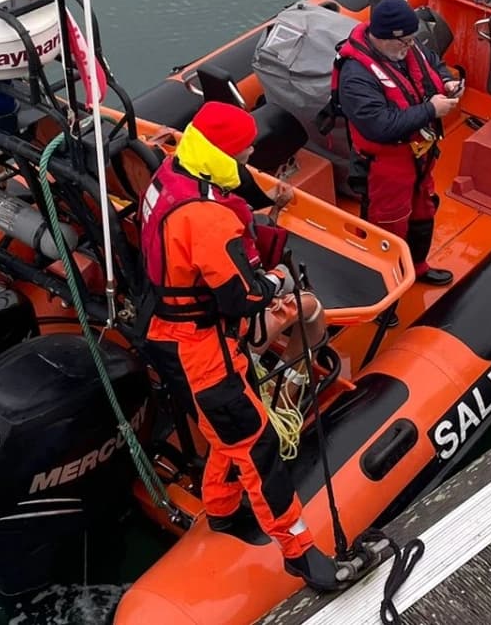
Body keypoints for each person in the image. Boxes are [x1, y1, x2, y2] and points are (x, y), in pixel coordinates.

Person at [138, 101, 345, 591]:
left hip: (172, 332)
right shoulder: (208, 219)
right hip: (198, 349)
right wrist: (276, 279)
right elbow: (243, 296)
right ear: (223, 154)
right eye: (245, 150)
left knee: (223, 433)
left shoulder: (170, 173)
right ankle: (299, 551)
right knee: (258, 445)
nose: (251, 154)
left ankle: (223, 509)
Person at [333, 0, 462, 286]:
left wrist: (447, 80)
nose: (409, 47)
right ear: (381, 38)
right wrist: (431, 110)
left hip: (419, 155)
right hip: (384, 167)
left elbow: (433, 62)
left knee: (423, 211)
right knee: (385, 227)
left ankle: (417, 268)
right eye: (403, 42)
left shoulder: (407, 46)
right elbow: (380, 126)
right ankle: (378, 289)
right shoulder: (356, 77)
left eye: (410, 41)